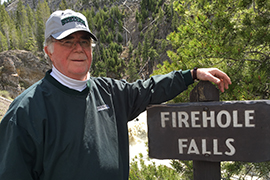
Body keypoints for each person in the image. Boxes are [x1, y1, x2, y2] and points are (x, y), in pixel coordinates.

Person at [0, 9, 231, 180]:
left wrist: (192, 74)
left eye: (84, 41)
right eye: (67, 41)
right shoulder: (25, 110)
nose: (78, 48)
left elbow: (149, 88)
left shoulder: (110, 92)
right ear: (48, 51)